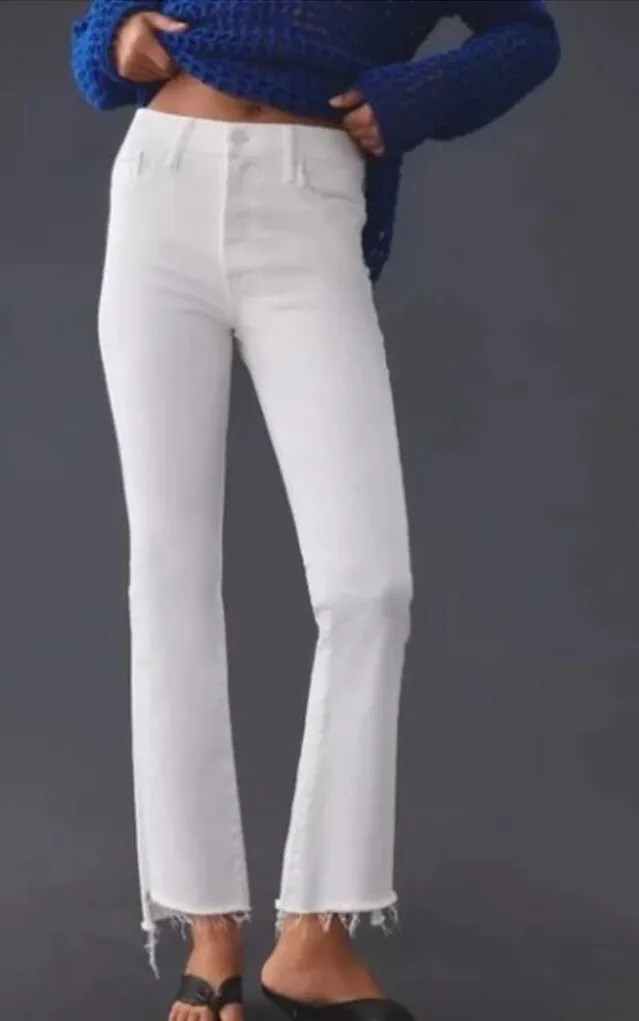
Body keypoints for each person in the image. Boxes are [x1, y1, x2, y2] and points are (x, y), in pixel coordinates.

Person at [70, 3, 561, 1021]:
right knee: (168, 572)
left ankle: (316, 932)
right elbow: (101, 24)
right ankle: (208, 931)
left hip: (310, 201)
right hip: (163, 180)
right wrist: (112, 36)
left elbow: (527, 33)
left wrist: (418, 94)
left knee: (368, 587)